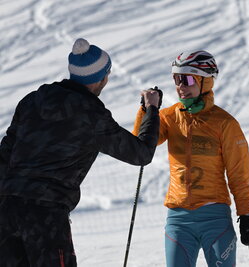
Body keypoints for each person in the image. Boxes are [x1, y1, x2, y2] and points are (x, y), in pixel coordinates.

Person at [0, 38, 160, 267]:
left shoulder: (32, 101)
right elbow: (141, 154)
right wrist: (152, 110)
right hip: (47, 213)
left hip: (7, 208)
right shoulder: (91, 115)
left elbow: (5, 154)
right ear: (101, 78)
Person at [133, 50, 249, 267]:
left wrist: (246, 214)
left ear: (206, 82)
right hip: (178, 219)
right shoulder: (169, 118)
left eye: (188, 79)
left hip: (215, 217)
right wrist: (148, 111)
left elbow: (238, 174)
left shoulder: (224, 123)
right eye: (177, 79)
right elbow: (140, 148)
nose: (181, 85)